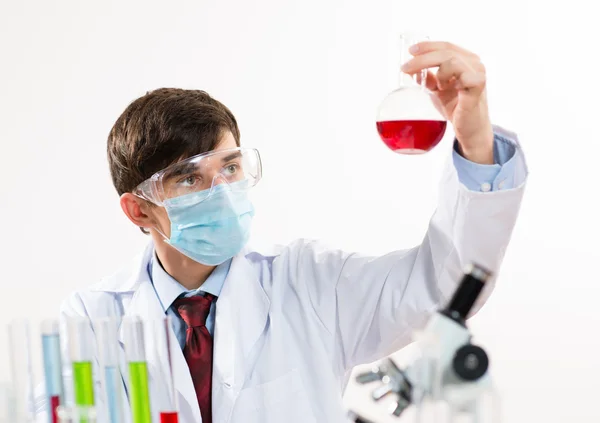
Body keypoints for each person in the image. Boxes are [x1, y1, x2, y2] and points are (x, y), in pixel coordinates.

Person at [35, 40, 527, 423]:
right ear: (138, 211)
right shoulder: (92, 318)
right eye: (189, 178)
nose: (221, 191)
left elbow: (445, 289)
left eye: (229, 168)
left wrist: (475, 136)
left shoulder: (312, 283)